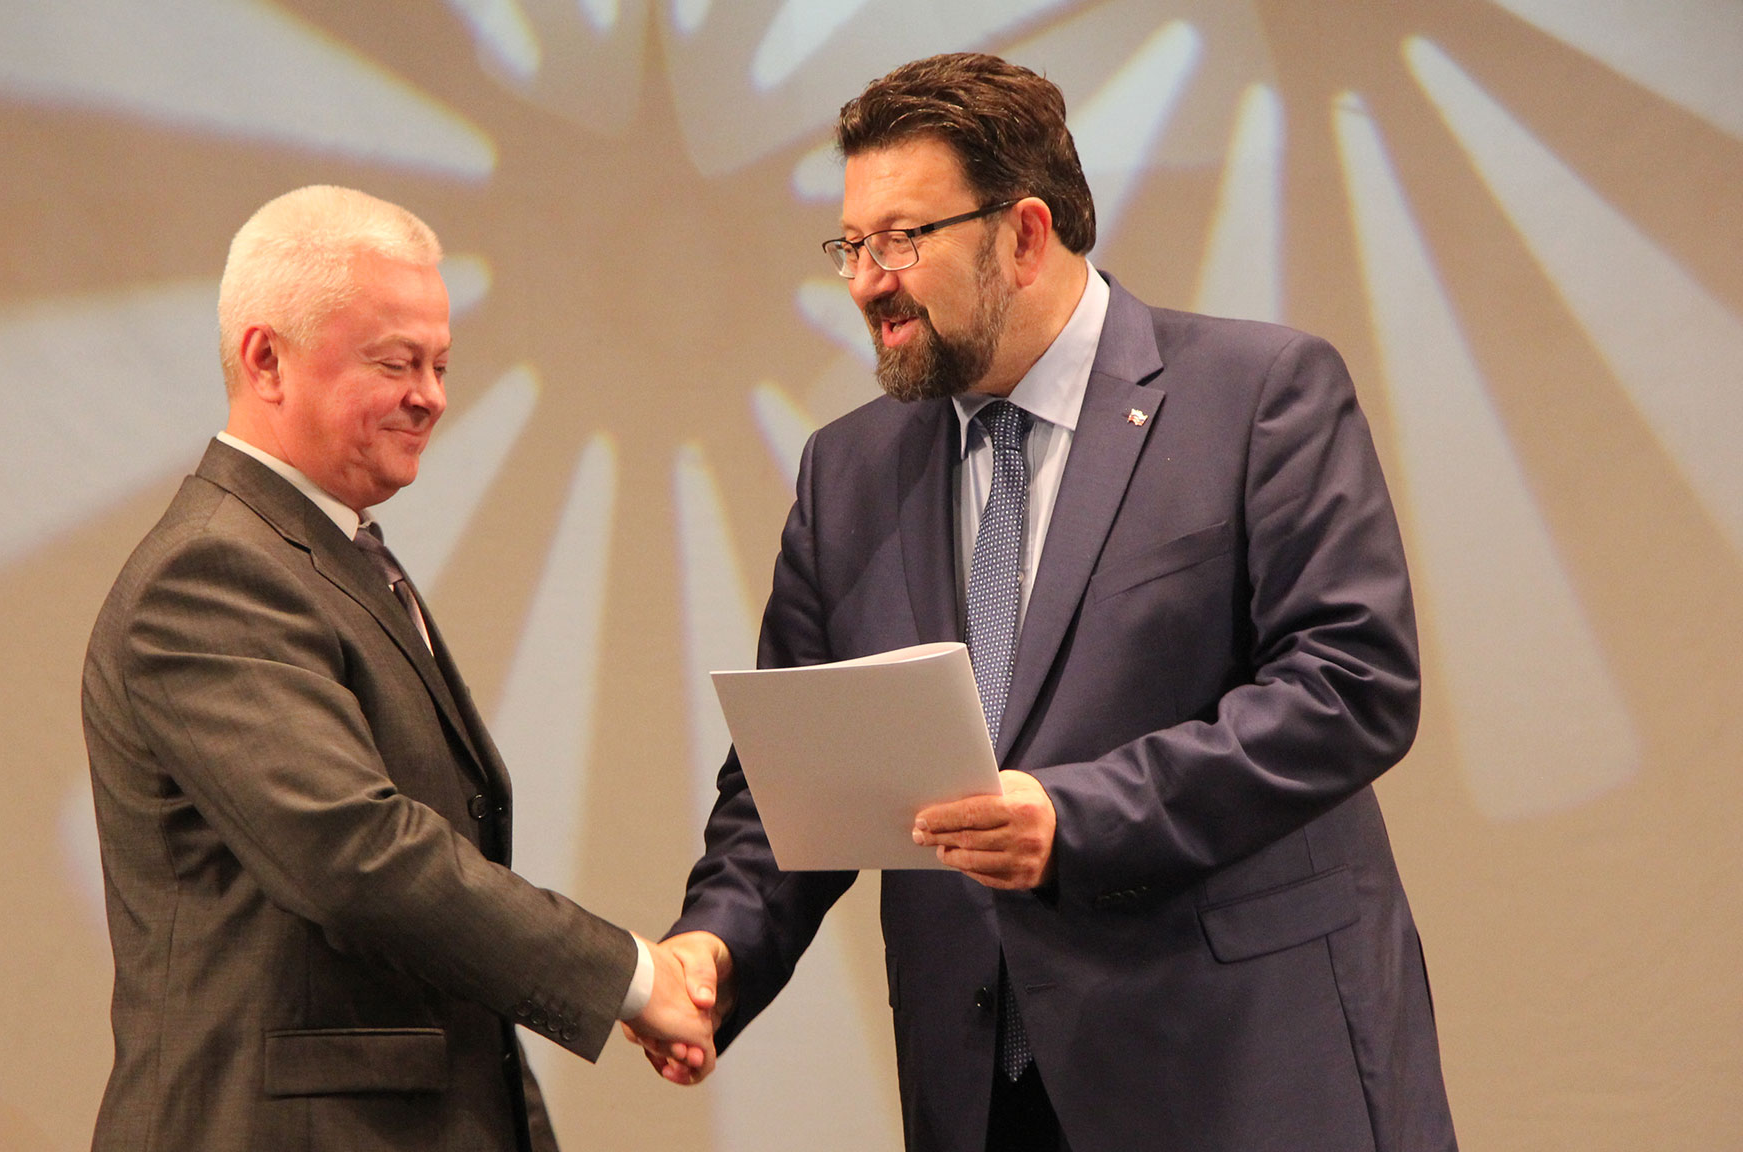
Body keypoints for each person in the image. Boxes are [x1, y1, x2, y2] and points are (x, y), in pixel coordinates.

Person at [639, 54, 1456, 1151]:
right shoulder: (848, 474)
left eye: (902, 240)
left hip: (1240, 1071)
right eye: (852, 246)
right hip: (984, 1098)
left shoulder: (1257, 396)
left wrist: (1078, 816)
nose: (868, 283)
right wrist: (716, 947)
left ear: (1025, 235)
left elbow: (1351, 687)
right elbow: (793, 774)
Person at [81, 185, 712, 1152]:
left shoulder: (329, 554)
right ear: (266, 359)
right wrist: (631, 977)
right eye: (396, 362)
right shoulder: (210, 571)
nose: (432, 396)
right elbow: (357, 856)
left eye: (441, 364)